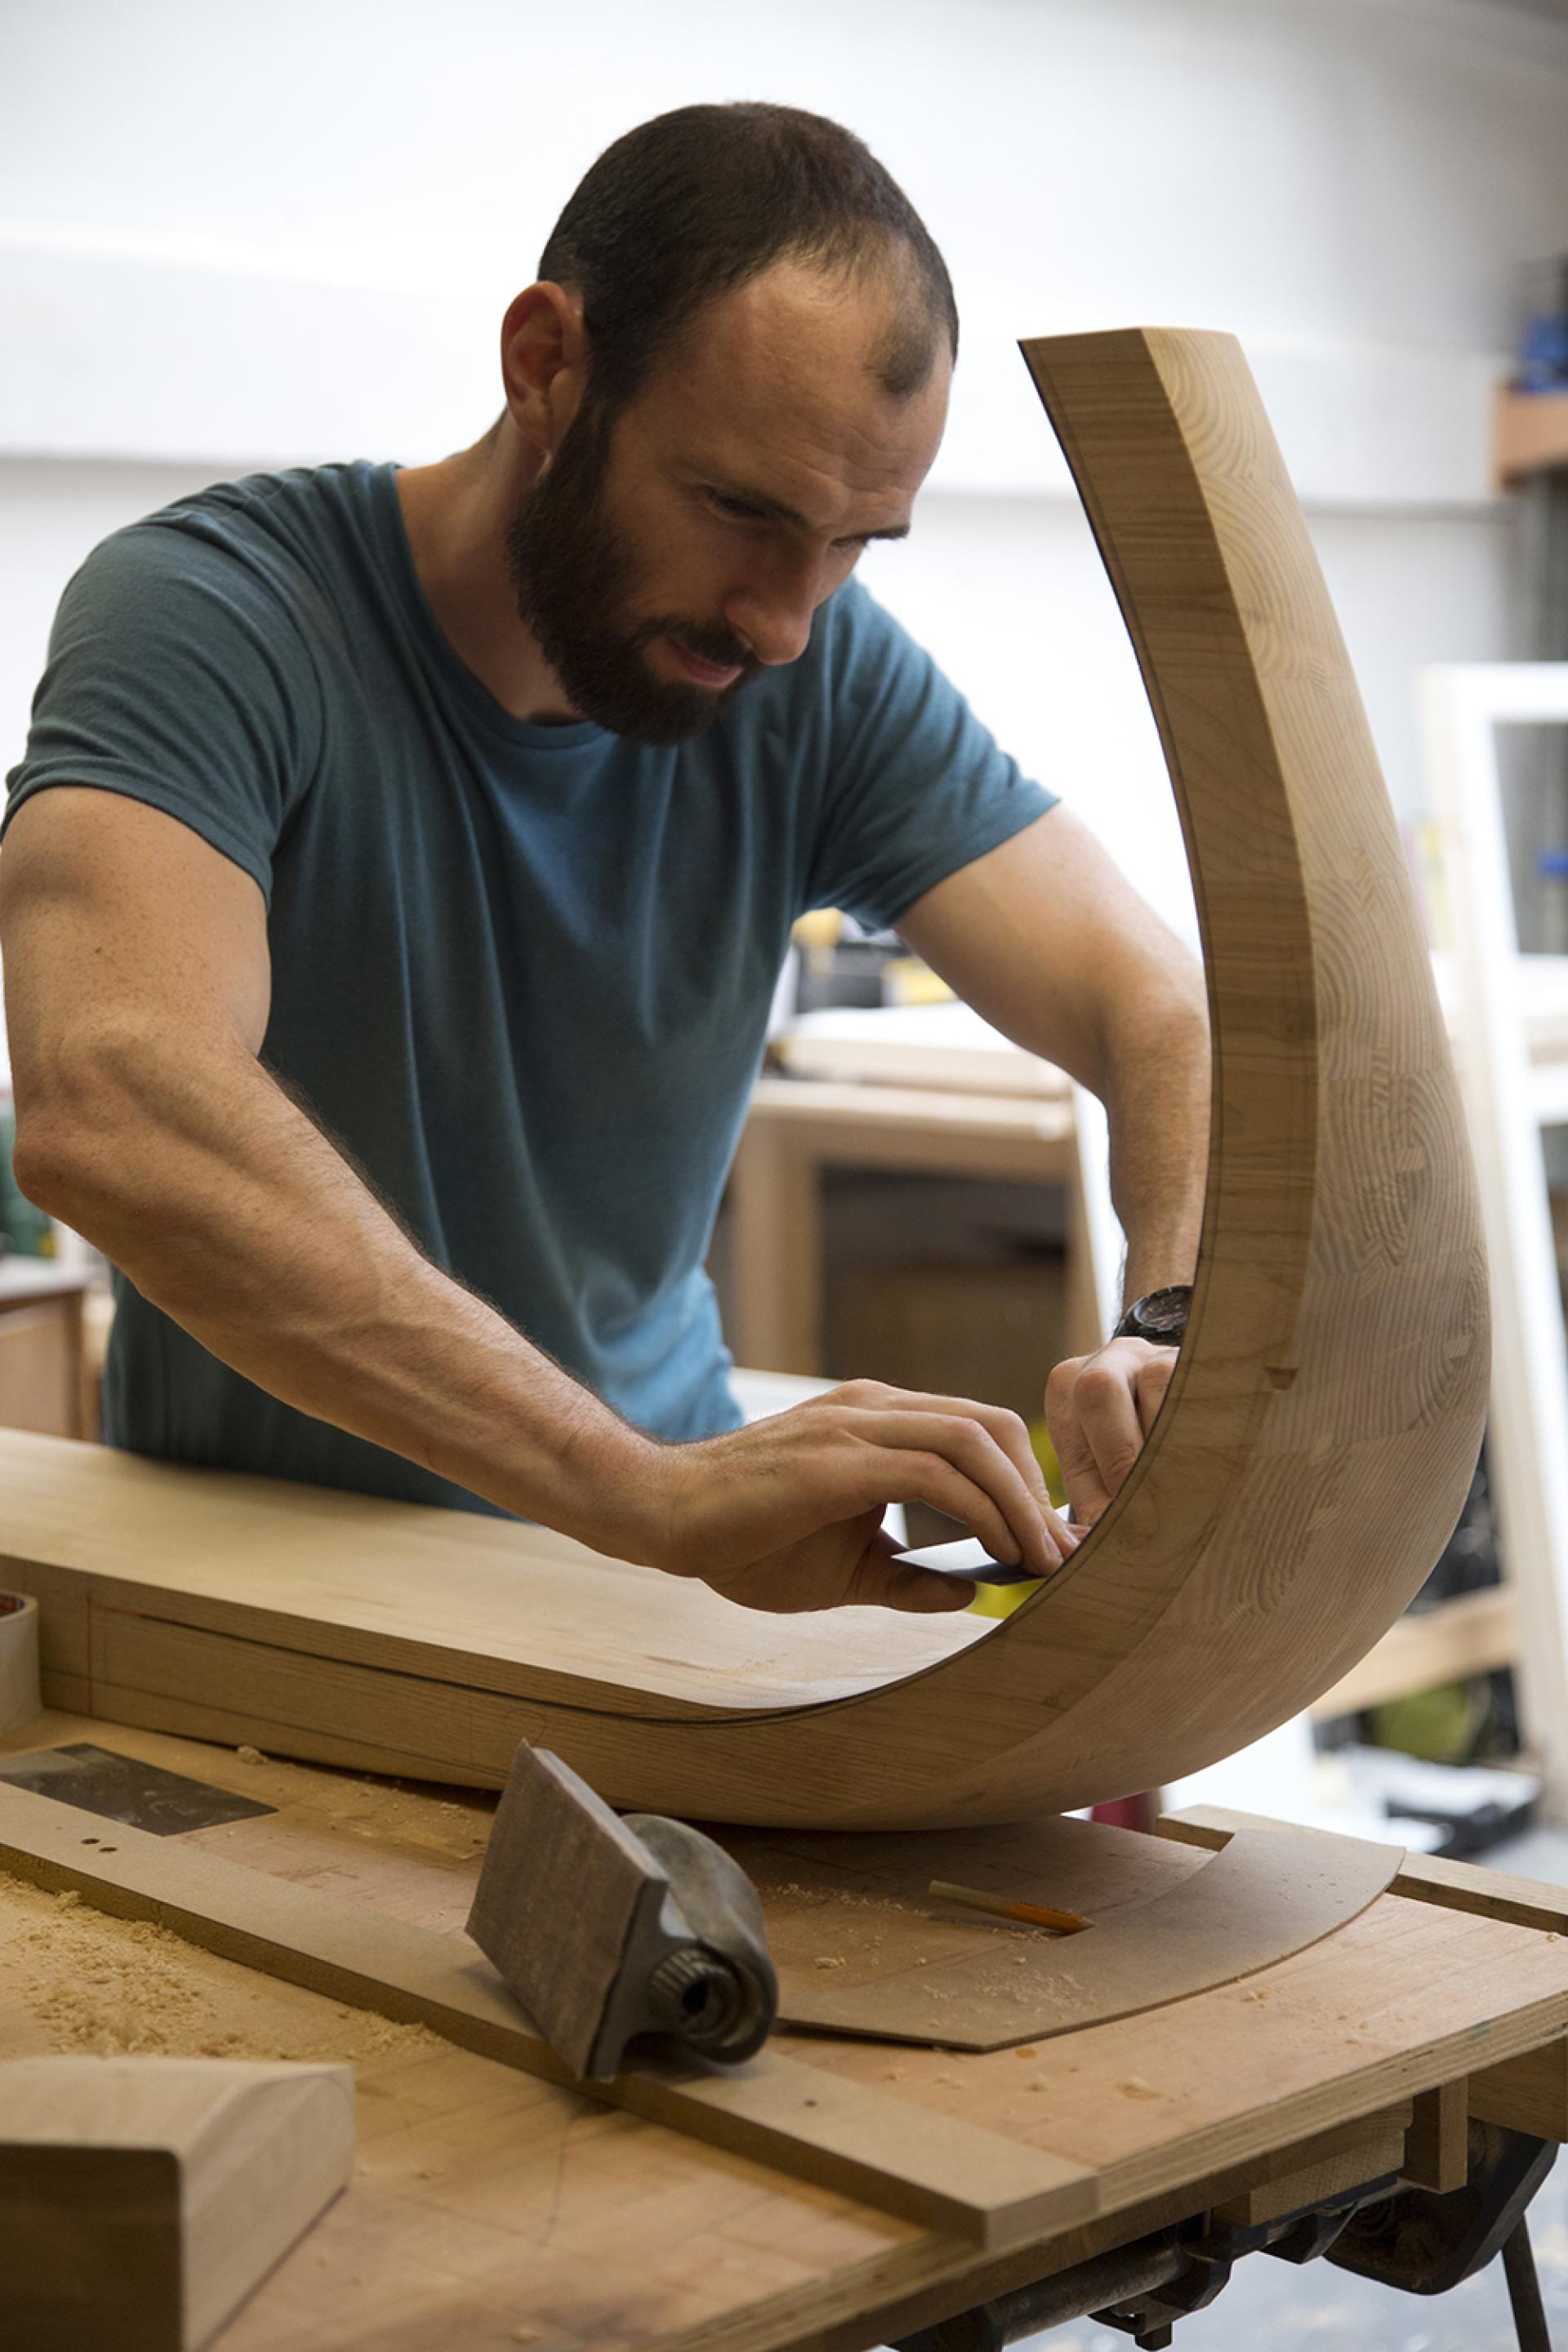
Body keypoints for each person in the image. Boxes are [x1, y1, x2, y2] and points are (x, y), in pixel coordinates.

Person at [0, 102, 1208, 1619]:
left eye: (852, 545)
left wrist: (1169, 1321)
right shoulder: (215, 617)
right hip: (276, 1582)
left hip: (667, 1581)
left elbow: (1152, 1008)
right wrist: (636, 1487)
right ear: (547, 367)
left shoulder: (809, 680)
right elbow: (109, 1099)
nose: (783, 618)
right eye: (740, 512)